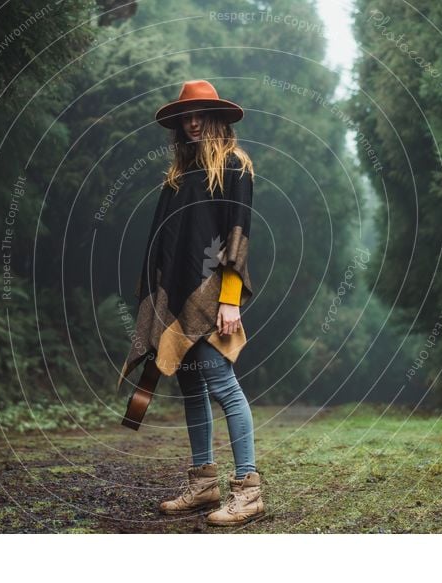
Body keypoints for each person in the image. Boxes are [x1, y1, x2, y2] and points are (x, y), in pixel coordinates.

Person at [116, 79, 265, 526]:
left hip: (212, 298)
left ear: (217, 117)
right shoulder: (178, 178)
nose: (193, 121)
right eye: (187, 115)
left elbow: (238, 234)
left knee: (223, 386)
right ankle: (203, 484)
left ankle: (249, 489)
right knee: (190, 389)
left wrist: (230, 300)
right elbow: (165, 245)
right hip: (174, 300)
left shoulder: (236, 167)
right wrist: (157, 303)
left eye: (201, 113)